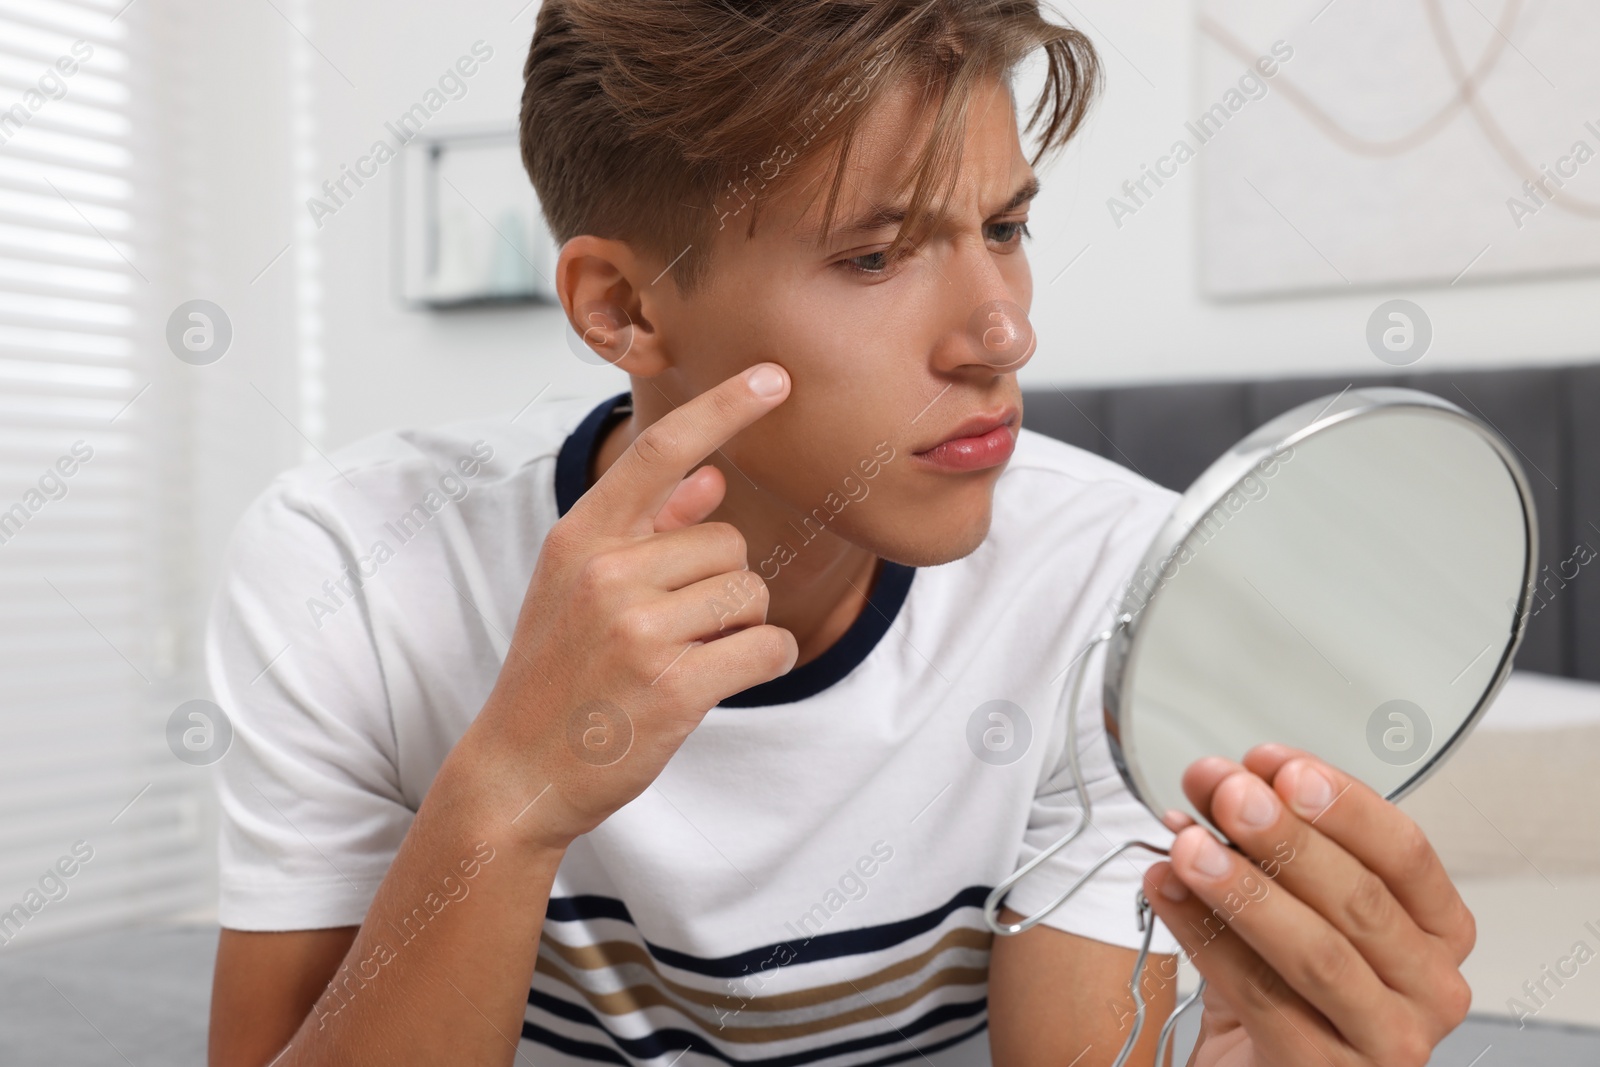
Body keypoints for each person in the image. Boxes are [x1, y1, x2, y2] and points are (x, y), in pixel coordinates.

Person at [205, 2, 1475, 1064]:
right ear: (624, 304)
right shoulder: (349, 569)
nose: (1001, 333)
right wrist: (508, 794)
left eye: (1005, 228)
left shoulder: (1112, 588)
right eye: (876, 254)